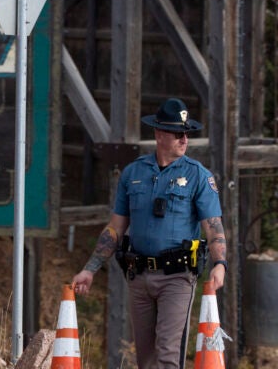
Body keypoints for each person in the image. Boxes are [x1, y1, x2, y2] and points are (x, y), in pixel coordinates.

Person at [71, 98, 228, 369]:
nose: (184, 139)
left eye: (187, 133)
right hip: (139, 275)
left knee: (168, 355)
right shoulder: (134, 173)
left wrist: (220, 264)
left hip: (177, 277)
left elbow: (213, 227)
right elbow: (115, 228)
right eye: (178, 133)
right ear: (158, 134)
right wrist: (90, 268)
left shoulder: (198, 176)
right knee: (145, 359)